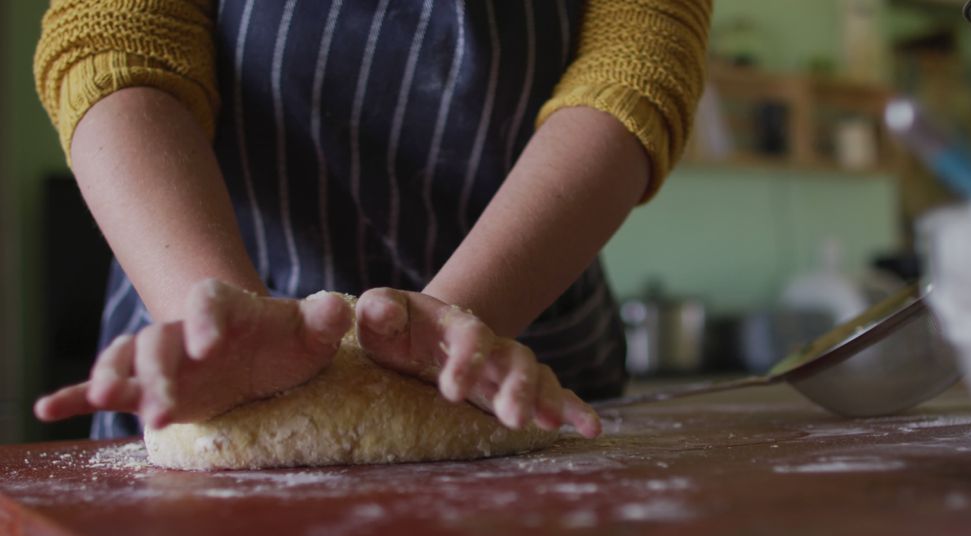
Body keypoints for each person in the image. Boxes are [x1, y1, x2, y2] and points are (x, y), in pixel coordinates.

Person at [30, 0, 710, 440]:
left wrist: (462, 321)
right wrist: (214, 320)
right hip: (201, 326)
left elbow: (634, 76)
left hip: (509, 341)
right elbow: (112, 44)